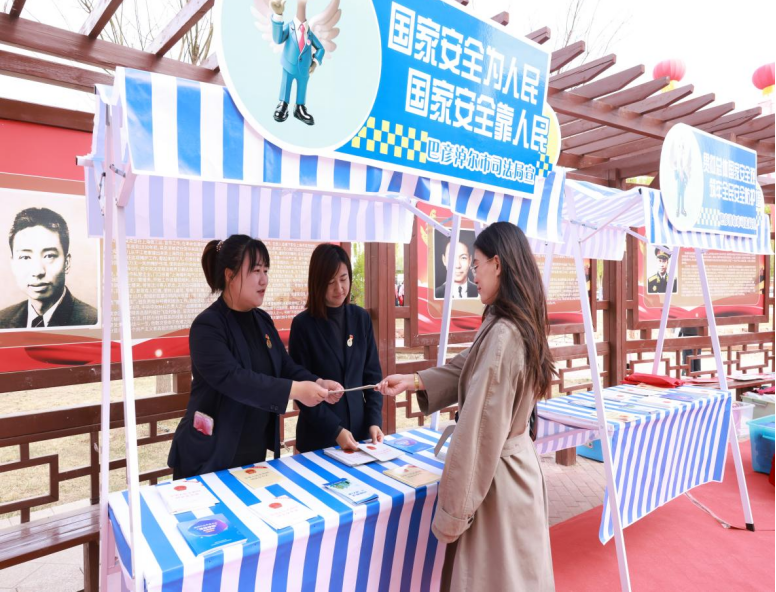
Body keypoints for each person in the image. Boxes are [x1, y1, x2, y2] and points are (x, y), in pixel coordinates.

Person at [378, 222, 556, 591]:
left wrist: (452, 514)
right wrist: (415, 380)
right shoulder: (513, 320)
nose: (473, 275)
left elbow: (478, 433)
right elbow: (471, 365)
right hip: (516, 470)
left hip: (498, 484)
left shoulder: (504, 332)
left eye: (476, 264)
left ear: (497, 264)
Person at [167, 235, 341, 479]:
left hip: (251, 452)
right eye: (256, 271)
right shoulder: (208, 326)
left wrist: (317, 382)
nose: (264, 279)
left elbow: (284, 366)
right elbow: (235, 379)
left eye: (266, 270)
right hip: (209, 455)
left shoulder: (262, 321)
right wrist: (296, 390)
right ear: (230, 275)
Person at [289, 244, 383, 452]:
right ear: (317, 283)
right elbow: (301, 388)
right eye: (330, 282)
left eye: (343, 279)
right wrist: (335, 430)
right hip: (318, 438)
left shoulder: (361, 318)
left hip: (359, 435)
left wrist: (374, 421)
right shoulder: (303, 325)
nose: (339, 288)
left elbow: (373, 377)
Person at [0, 207, 97, 329]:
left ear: (67, 263)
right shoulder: (3, 320)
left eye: (49, 256)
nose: (38, 271)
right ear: (13, 264)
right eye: (25, 257)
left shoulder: (94, 321)